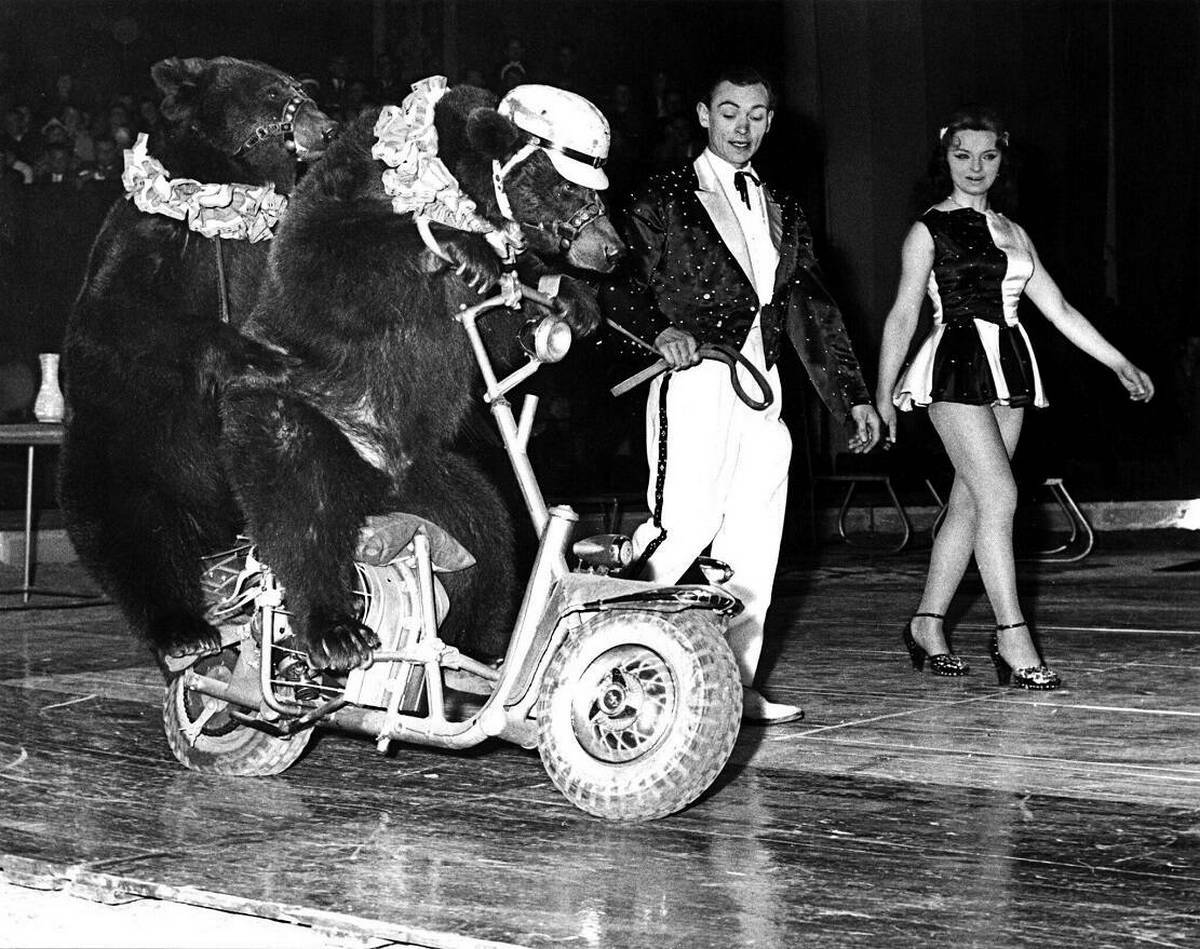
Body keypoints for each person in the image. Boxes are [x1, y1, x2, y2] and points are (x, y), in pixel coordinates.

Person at [601, 65, 882, 725]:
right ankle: (598, 654)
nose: (743, 127)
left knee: (754, 541)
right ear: (704, 114)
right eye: (730, 112)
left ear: (770, 121)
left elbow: (812, 306)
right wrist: (658, 329)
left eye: (756, 115)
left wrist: (852, 396)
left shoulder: (781, 204)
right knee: (682, 525)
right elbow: (615, 279)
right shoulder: (663, 195)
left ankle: (733, 685)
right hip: (695, 375)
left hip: (764, 385)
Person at [874, 106, 1154, 690]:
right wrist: (882, 396)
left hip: (1008, 366)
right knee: (1000, 494)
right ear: (945, 158)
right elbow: (902, 314)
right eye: (962, 155)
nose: (975, 166)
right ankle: (1012, 634)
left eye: (988, 155)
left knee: (972, 501)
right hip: (952, 365)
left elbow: (1060, 310)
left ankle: (927, 624)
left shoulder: (1014, 231)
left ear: (1003, 160)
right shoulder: (928, 229)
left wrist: (1119, 362)